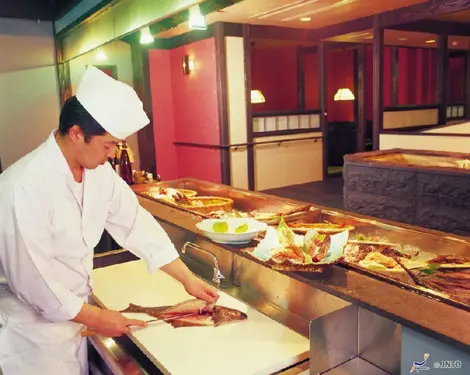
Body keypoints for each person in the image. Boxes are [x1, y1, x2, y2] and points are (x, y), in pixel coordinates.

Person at [0, 66, 219, 374]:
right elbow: (33, 281)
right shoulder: (22, 186)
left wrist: (187, 279)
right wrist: (97, 317)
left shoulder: (99, 175)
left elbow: (136, 224)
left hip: (74, 321)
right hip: (32, 338)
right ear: (76, 133)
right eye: (108, 145)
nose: (113, 154)